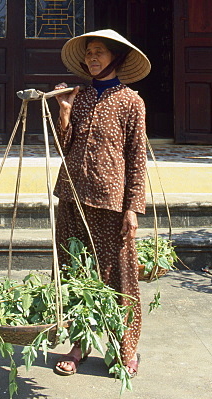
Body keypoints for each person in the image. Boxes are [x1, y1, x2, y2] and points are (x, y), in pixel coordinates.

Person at [51, 28, 150, 378]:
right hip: (72, 195)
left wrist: (132, 208)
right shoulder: (77, 96)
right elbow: (65, 148)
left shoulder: (131, 102)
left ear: (116, 58)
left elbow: (137, 158)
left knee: (118, 277)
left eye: (99, 53)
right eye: (88, 53)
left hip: (110, 200)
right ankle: (79, 344)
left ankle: (125, 348)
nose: (92, 58)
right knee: (76, 271)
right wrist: (63, 114)